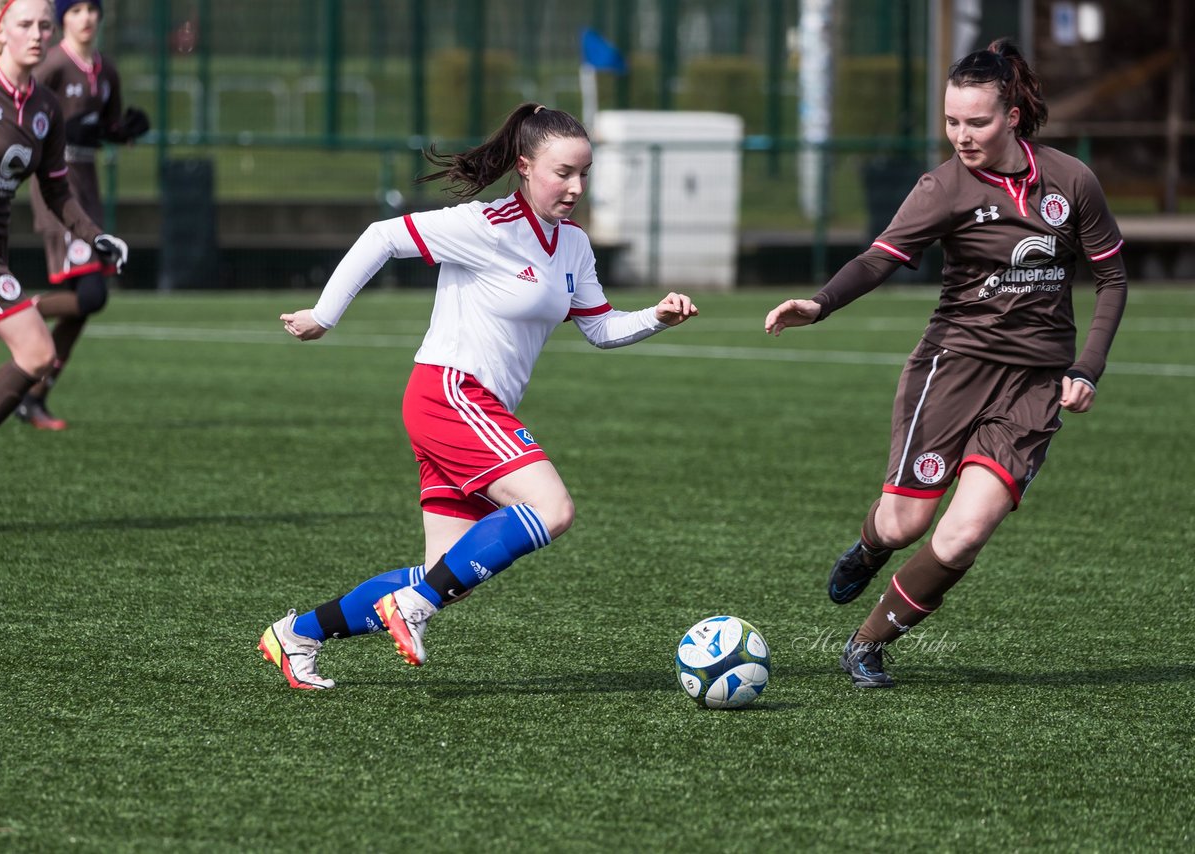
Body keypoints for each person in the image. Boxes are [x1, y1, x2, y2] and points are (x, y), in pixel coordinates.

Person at [259, 102, 699, 689]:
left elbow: (599, 327)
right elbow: (382, 236)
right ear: (524, 166)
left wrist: (657, 317)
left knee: (446, 571)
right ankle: (413, 608)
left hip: (470, 405)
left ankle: (297, 635)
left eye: (584, 173)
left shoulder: (572, 246)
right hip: (450, 391)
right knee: (553, 508)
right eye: (561, 172)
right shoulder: (487, 225)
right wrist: (323, 315)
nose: (575, 187)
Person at [764, 39, 1127, 688]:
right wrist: (819, 305)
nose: (961, 135)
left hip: (1033, 389)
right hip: (951, 372)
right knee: (906, 523)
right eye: (951, 121)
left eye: (977, 122)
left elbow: (1113, 280)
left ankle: (867, 644)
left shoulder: (1071, 181)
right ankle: (873, 545)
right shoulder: (943, 187)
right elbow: (879, 259)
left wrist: (1085, 369)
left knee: (963, 536)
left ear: (1012, 114)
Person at [0, 0, 128, 526]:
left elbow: (57, 191)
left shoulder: (45, 108)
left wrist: (95, 237)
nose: (37, 34)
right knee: (36, 351)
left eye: (43, 26)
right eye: (25, 25)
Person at [18, 0, 148, 430]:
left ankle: (33, 398)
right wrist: (58, 132)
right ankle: (10, 313)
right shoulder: (53, 64)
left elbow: (102, 127)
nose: (87, 17)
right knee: (92, 295)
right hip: (58, 188)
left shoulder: (106, 70)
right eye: (76, 10)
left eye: (93, 8)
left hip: (87, 187)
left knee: (84, 306)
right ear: (62, 19)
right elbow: (23, 113)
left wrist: (122, 132)